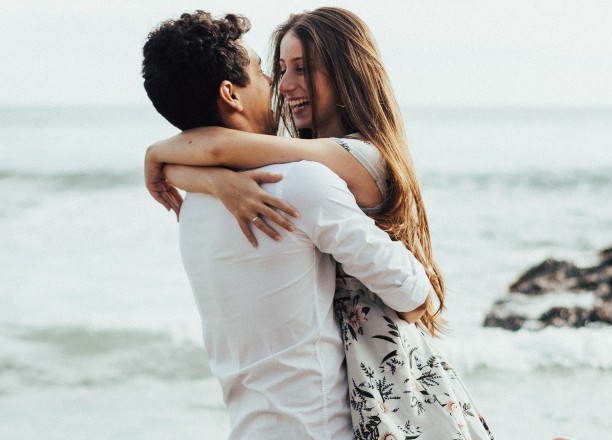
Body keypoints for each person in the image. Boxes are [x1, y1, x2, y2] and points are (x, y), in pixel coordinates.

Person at [146, 7, 495, 440]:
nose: (280, 85)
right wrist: (187, 170)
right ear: (231, 94)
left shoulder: (199, 207)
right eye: (269, 70)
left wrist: (169, 162)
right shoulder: (299, 180)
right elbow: (415, 294)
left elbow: (220, 148)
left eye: (301, 69)